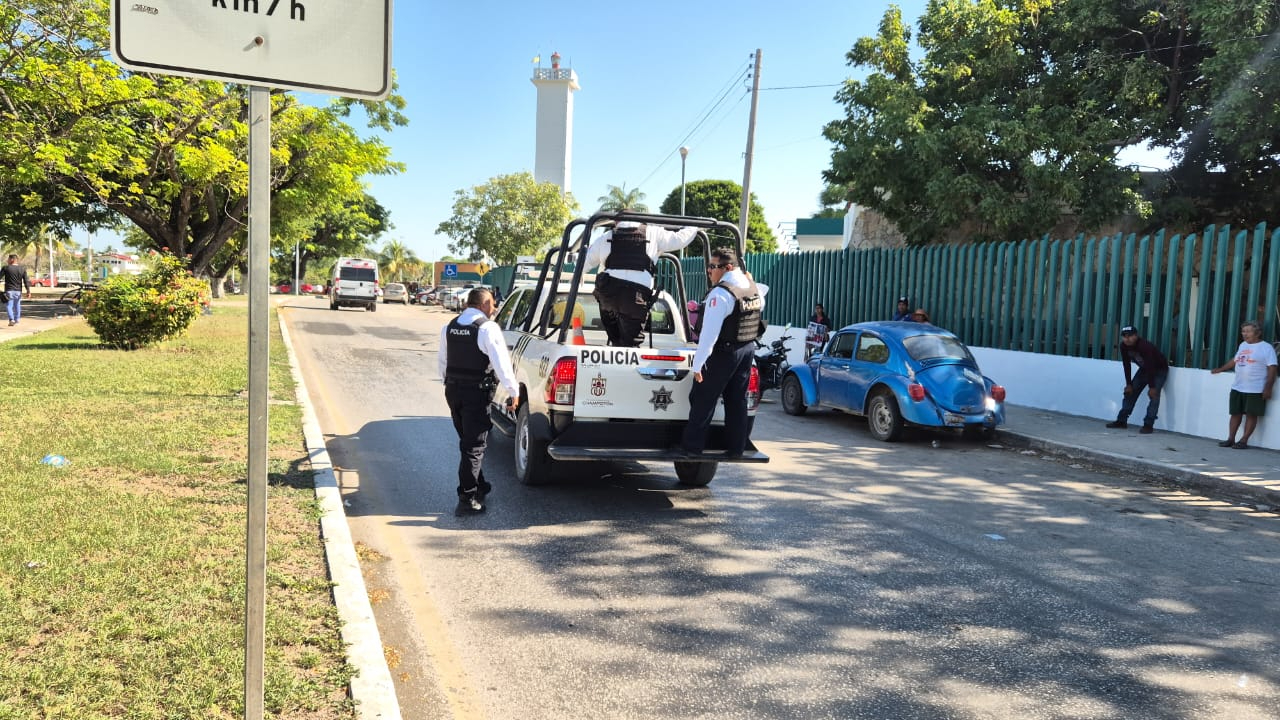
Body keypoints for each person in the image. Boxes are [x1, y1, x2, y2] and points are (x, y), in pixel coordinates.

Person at [437, 288, 520, 513]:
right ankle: (467, 497)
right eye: (492, 304)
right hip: (475, 393)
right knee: (474, 445)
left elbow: (443, 363)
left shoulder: (449, 327)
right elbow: (502, 363)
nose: (494, 309)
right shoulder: (487, 328)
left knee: (468, 441)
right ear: (483, 304)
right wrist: (513, 392)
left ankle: (480, 484)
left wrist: (450, 384)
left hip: (453, 391)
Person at [682, 247, 768, 459]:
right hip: (746, 350)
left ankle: (692, 449)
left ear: (727, 268)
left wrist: (698, 365)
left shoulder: (721, 294)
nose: (709, 271)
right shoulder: (753, 288)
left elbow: (709, 336)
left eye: (713, 267)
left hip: (723, 353)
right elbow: (760, 305)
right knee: (736, 399)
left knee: (702, 398)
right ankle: (736, 448)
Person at [583, 221, 699, 347]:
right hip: (635, 298)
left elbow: (585, 262)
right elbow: (679, 239)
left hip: (608, 295)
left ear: (616, 223)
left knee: (615, 339)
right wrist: (692, 226)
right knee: (630, 345)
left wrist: (577, 277)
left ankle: (617, 346)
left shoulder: (606, 237)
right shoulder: (653, 232)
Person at [1210, 320, 1278, 449]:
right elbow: (1235, 361)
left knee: (1251, 414)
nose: (1244, 334)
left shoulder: (1266, 348)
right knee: (1235, 413)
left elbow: (1272, 368)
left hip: (1256, 388)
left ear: (1258, 333)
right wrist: (1221, 369)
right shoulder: (1243, 345)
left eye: (1248, 331)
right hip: (1238, 386)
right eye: (1243, 331)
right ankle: (1230, 439)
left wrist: (1268, 387)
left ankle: (1244, 440)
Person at [1104, 325, 1169, 434]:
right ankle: (1121, 421)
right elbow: (1126, 365)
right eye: (1124, 336)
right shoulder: (1123, 346)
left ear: (1136, 336)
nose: (1127, 339)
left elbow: (1150, 365)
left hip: (1159, 370)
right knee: (1130, 393)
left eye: (1130, 336)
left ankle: (1148, 425)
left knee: (1154, 396)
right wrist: (1129, 384)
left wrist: (1152, 387)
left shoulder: (1144, 346)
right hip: (1144, 369)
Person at [3, 254, 31, 327]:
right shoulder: (22, 269)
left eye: (8, 259)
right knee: (17, 305)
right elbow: (26, 281)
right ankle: (17, 320)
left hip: (9, 290)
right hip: (18, 291)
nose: (7, 260)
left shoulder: (6, 268)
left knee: (9, 305)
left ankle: (11, 319)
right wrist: (28, 291)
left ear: (12, 259)